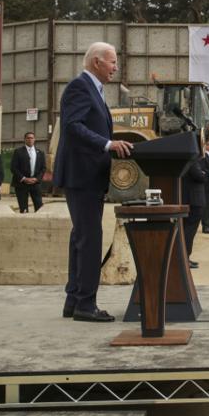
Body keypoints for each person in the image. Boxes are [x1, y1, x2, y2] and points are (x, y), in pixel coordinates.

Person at [54, 41, 133, 322]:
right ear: (97, 62)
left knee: (81, 237)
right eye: (112, 62)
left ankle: (74, 300)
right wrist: (107, 144)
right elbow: (72, 127)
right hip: (82, 175)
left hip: (87, 176)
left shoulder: (94, 90)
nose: (115, 67)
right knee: (89, 239)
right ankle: (86, 305)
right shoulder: (79, 87)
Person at [181, 150, 208, 268]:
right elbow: (199, 176)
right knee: (189, 231)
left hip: (192, 200)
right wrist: (204, 174)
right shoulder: (192, 161)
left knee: (189, 231)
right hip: (194, 201)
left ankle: (186, 257)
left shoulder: (190, 160)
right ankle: (185, 258)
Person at [9, 131, 46, 213]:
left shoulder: (40, 153)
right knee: (23, 209)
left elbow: (43, 168)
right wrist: (24, 178)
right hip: (21, 184)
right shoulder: (18, 152)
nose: (30, 140)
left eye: (32, 138)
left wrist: (36, 179)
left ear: (34, 139)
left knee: (39, 207)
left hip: (35, 184)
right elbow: (13, 168)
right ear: (25, 140)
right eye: (28, 138)